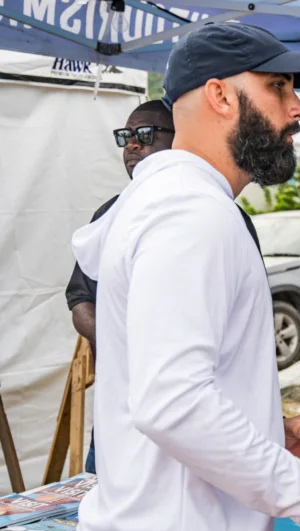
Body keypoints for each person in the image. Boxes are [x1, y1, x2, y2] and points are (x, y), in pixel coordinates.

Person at [70, 22, 300, 531]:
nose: (297, 110)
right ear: (219, 96)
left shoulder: (168, 203)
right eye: (278, 87)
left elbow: (172, 385)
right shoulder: (193, 214)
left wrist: (265, 428)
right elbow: (173, 402)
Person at [65, 99, 176, 475]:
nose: (132, 145)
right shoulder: (109, 215)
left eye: (145, 134)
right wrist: (126, 341)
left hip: (180, 411)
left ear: (179, 140)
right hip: (117, 409)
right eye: (126, 136)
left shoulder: (206, 210)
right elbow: (80, 300)